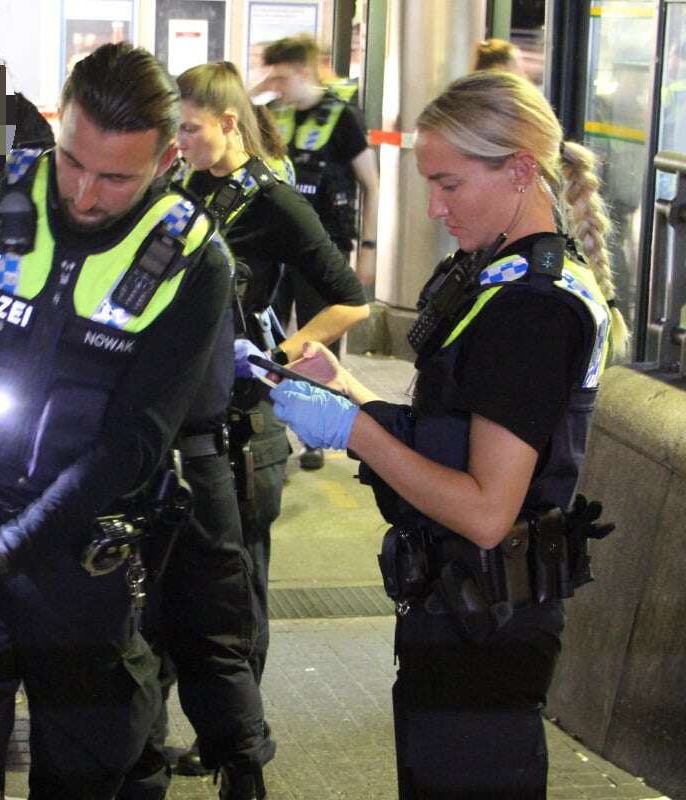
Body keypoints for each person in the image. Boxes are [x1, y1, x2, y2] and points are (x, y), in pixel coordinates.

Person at [268, 70, 627, 798]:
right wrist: (348, 390)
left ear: (521, 169)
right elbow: (449, 437)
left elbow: (486, 511)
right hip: (465, 611)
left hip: (488, 619)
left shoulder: (530, 308)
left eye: (450, 184)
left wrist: (351, 433)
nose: (434, 206)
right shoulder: (499, 276)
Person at [0, 42, 232, 799]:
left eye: (117, 177)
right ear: (59, 123)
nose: (84, 195)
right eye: (74, 161)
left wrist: (8, 552)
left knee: (84, 772)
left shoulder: (193, 263)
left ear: (167, 158)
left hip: (82, 562)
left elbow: (132, 445)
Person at [165, 61, 367, 781]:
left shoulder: (275, 201)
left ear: (227, 122)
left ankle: (241, 742)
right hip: (184, 422)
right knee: (178, 590)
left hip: (246, 429)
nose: (179, 141)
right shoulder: (180, 190)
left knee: (238, 590)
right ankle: (212, 730)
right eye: (174, 128)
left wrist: (278, 353)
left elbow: (350, 299)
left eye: (189, 128)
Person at [259, 33, 380, 471]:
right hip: (278, 251)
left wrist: (369, 249)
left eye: (282, 76)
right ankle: (272, 427)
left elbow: (371, 182)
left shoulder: (341, 118)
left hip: (324, 251)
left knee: (318, 341)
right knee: (270, 336)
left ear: (305, 71)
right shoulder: (274, 116)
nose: (275, 85)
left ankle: (318, 431)